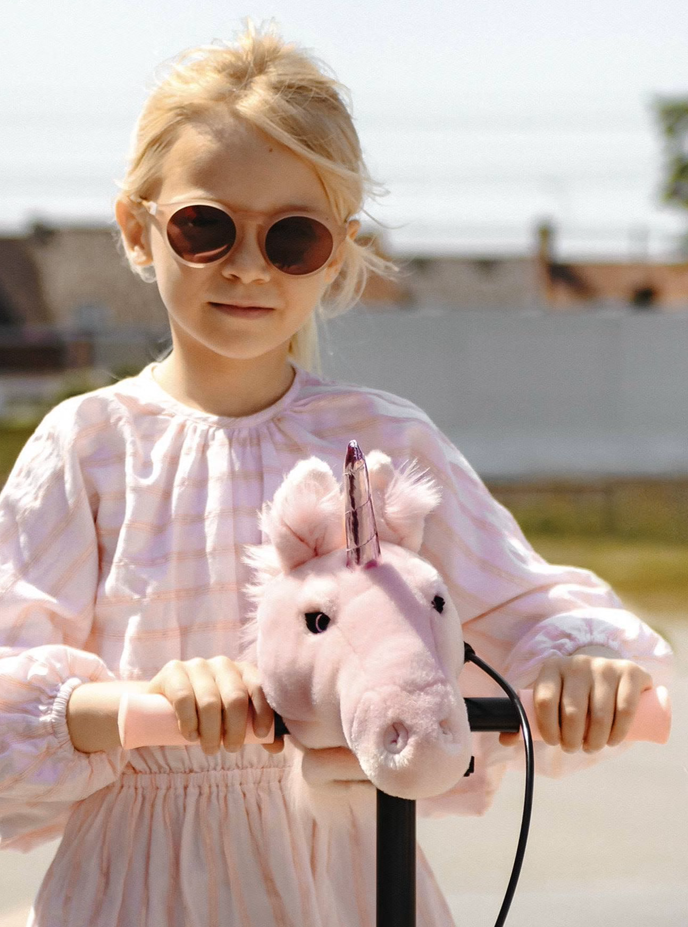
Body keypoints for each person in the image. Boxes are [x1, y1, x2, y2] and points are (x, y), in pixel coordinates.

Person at [0, 22, 673, 927]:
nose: (248, 266)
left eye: (292, 239)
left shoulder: (383, 441)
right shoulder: (88, 446)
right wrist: (139, 703)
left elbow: (525, 608)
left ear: (338, 251)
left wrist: (581, 665)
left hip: (354, 884)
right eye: (205, 228)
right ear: (138, 229)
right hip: (136, 889)